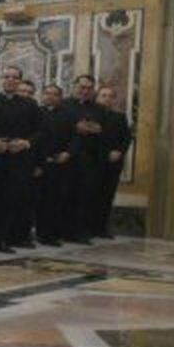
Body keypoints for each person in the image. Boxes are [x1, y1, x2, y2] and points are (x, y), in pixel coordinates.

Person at [0, 65, 39, 253]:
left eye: (14, 77)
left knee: (10, 201)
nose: (10, 80)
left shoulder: (30, 104)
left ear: (19, 81)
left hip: (18, 161)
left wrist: (26, 142)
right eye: (7, 76)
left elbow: (39, 132)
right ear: (1, 79)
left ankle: (2, 239)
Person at [64, 74, 105, 243]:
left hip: (89, 159)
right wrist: (75, 127)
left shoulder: (99, 109)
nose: (85, 91)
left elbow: (105, 132)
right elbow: (56, 128)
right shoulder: (65, 105)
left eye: (89, 88)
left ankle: (80, 232)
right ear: (74, 87)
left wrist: (97, 130)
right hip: (67, 158)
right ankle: (62, 230)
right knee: (64, 196)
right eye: (82, 87)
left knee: (84, 197)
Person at [34, 83, 73, 245]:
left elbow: (75, 138)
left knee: (56, 200)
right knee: (39, 201)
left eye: (55, 94)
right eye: (47, 93)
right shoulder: (36, 114)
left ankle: (52, 234)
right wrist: (38, 162)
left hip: (60, 164)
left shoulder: (68, 116)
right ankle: (39, 232)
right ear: (42, 96)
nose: (50, 96)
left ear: (60, 98)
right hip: (40, 164)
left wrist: (68, 153)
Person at [92, 85, 131, 238]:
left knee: (107, 196)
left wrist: (119, 152)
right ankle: (88, 227)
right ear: (97, 97)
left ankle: (102, 228)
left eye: (110, 96)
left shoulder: (120, 117)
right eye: (103, 95)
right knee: (91, 195)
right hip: (94, 161)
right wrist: (105, 152)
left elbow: (126, 138)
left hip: (113, 162)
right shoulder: (90, 115)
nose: (107, 99)